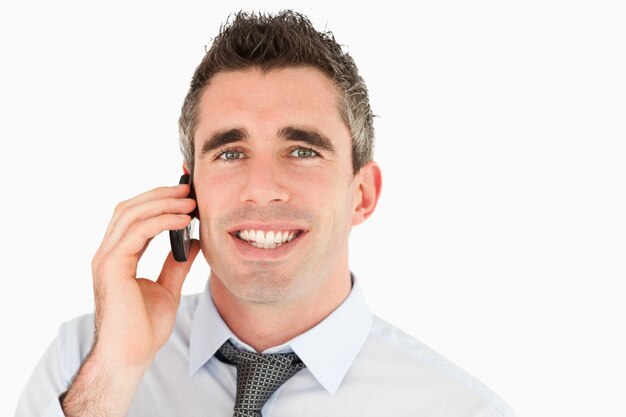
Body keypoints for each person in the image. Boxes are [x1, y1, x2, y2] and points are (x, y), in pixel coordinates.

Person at [16, 10, 514, 417]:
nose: (261, 190)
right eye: (230, 153)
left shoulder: (461, 408)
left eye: (302, 151)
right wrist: (115, 374)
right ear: (188, 189)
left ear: (361, 194)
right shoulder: (81, 361)